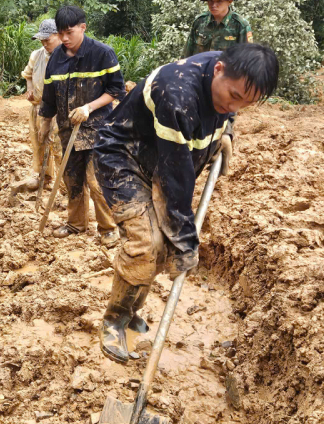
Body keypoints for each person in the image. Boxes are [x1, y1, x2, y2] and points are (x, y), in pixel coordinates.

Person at [94, 43, 278, 364]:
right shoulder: (176, 94)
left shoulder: (229, 79)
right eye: (234, 97)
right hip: (124, 158)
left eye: (248, 103)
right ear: (218, 70)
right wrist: (187, 242)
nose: (236, 105)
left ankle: (132, 310)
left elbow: (227, 111)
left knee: (162, 246)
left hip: (161, 160)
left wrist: (227, 131)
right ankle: (113, 321)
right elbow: (175, 180)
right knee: (144, 244)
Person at [38, 5, 125, 247]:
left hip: (98, 129)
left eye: (70, 32)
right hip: (68, 130)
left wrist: (89, 107)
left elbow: (116, 90)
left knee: (96, 180)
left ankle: (108, 228)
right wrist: (45, 123)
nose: (65, 39)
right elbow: (49, 95)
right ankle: (76, 224)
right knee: (72, 178)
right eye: (61, 33)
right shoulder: (56, 57)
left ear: (83, 28)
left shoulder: (102, 53)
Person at [20, 19, 63, 191]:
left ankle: (66, 185)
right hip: (38, 107)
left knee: (59, 147)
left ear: (58, 36)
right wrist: (30, 90)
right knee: (39, 144)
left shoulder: (66, 57)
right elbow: (28, 75)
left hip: (59, 111)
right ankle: (44, 177)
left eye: (48, 40)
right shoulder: (36, 55)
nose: (45, 44)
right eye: (42, 40)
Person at [183, 0, 253, 58]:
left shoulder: (240, 25)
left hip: (225, 69)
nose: (213, 5)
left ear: (229, 1)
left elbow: (246, 59)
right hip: (200, 69)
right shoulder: (200, 22)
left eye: (219, 1)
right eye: (210, 1)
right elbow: (187, 54)